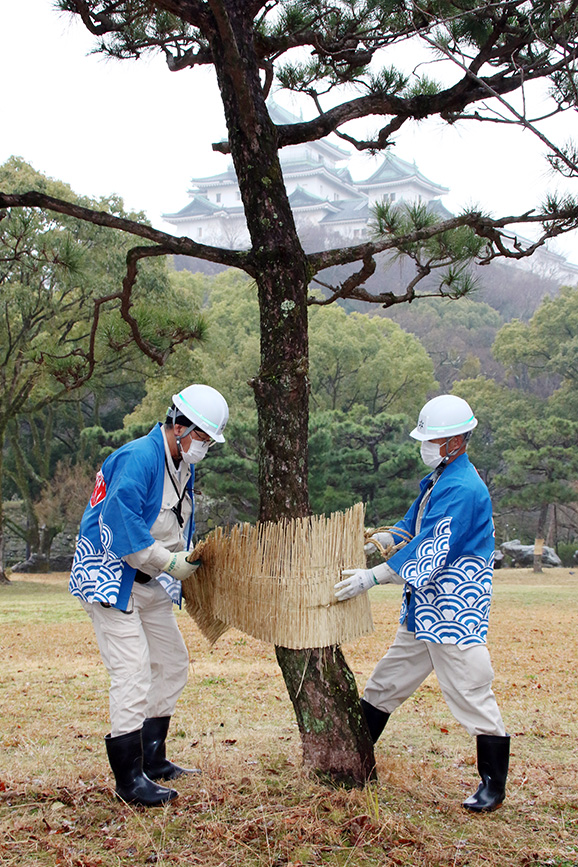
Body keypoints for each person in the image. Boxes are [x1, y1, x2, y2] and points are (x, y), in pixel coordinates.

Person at [334, 395, 509, 813]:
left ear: (456, 441)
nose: (425, 446)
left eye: (432, 439)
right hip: (422, 609)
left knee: (470, 689)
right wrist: (379, 540)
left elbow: (429, 550)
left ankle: (492, 784)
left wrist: (371, 577)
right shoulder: (440, 479)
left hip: (453, 611)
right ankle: (353, 762)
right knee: (386, 683)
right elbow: (411, 526)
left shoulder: (464, 489)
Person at [70, 384, 229, 806]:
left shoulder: (181, 465)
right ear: (180, 426)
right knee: (133, 670)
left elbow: (174, 523)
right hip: (110, 575)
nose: (206, 447)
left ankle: (153, 759)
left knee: (172, 662)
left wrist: (184, 559)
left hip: (148, 578)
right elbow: (122, 526)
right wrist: (171, 563)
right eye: (203, 437)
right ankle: (129, 780)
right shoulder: (138, 457)